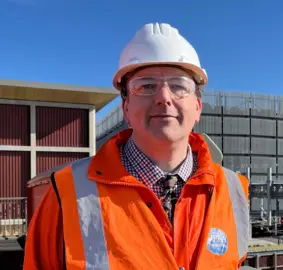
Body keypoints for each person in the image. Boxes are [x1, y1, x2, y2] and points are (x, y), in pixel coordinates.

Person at [23, 22, 250, 270]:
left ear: (197, 107)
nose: (164, 97)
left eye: (178, 86)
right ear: (126, 108)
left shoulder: (233, 191)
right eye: (146, 86)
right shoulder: (66, 194)